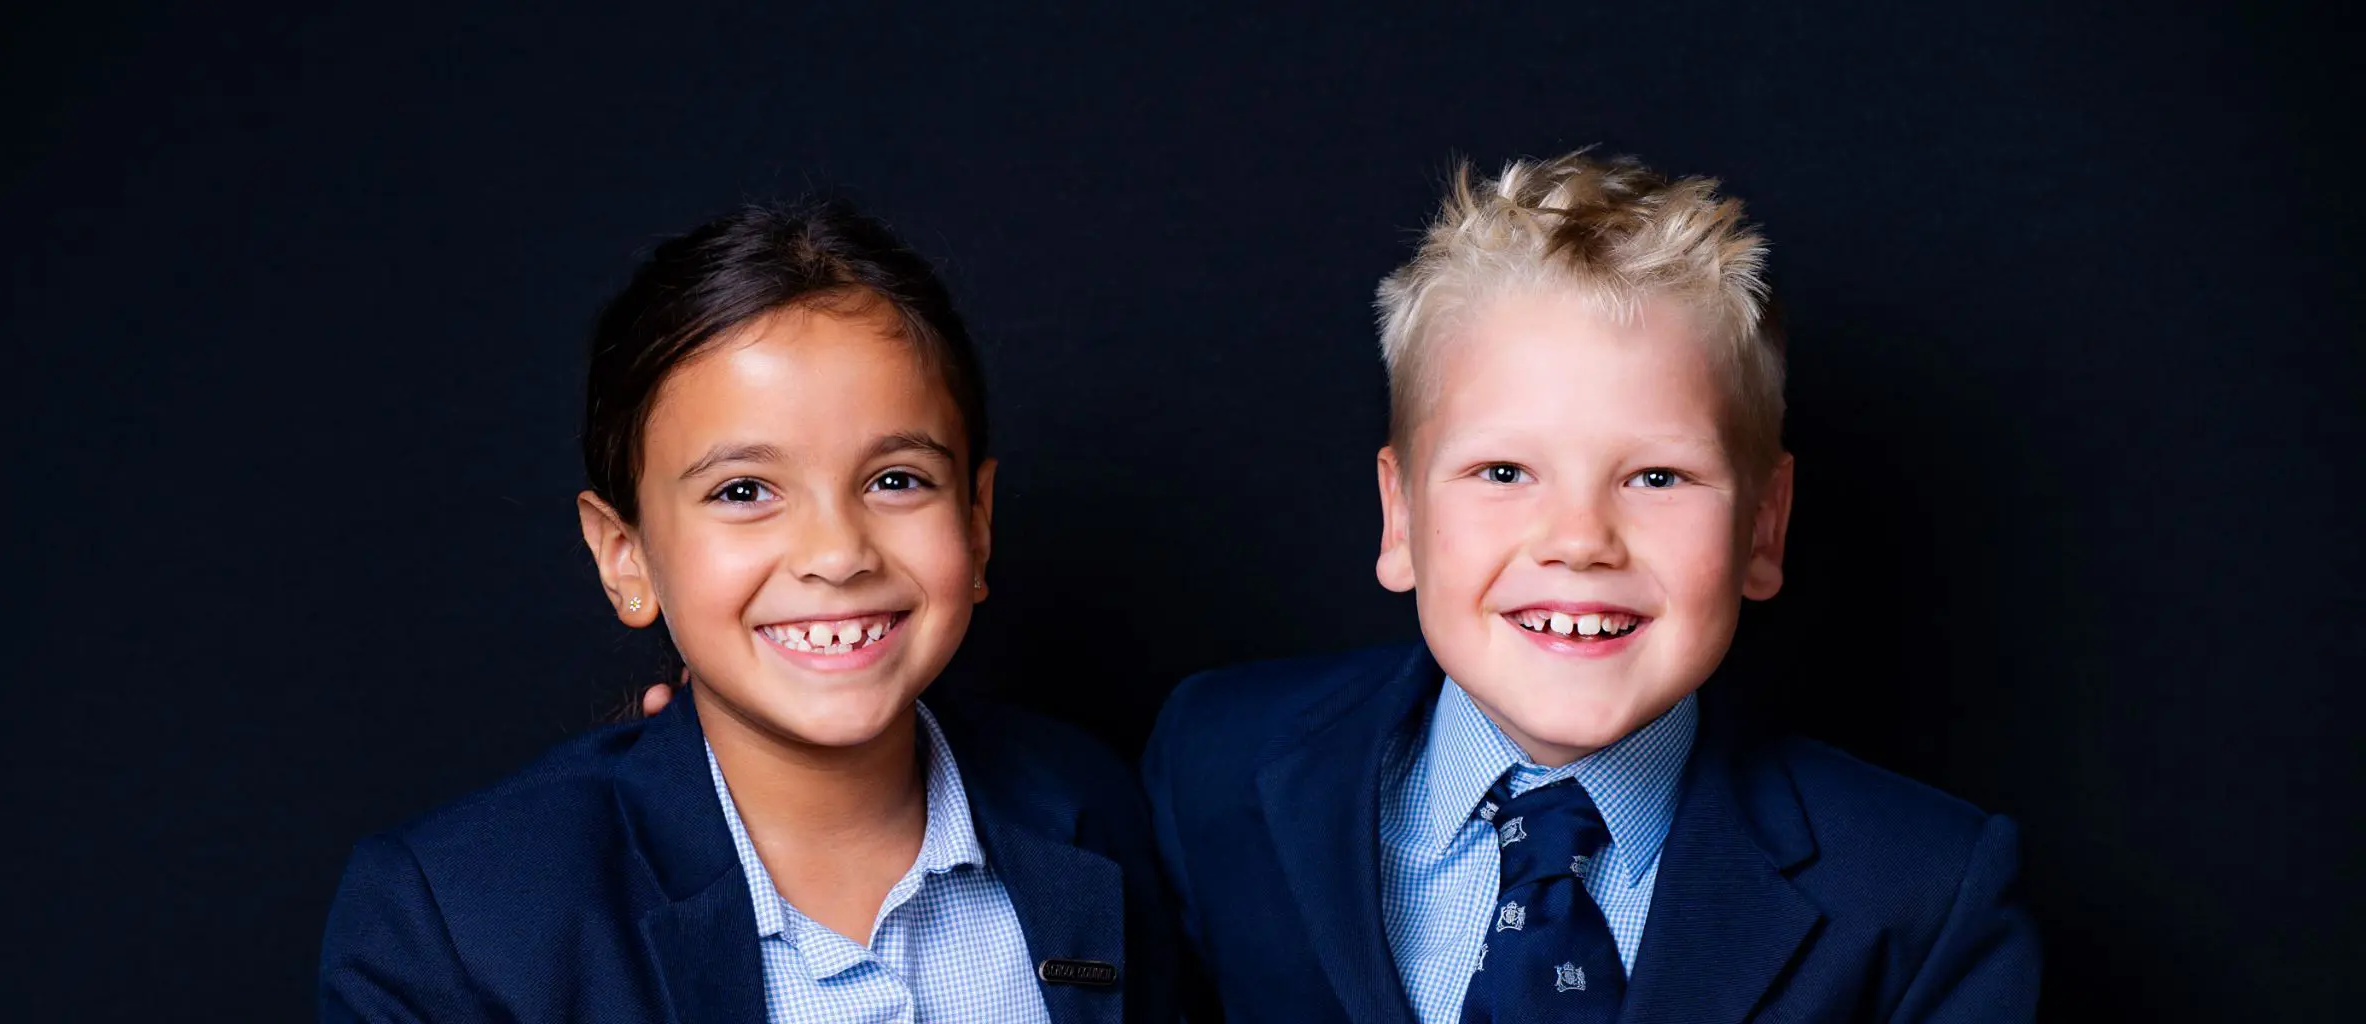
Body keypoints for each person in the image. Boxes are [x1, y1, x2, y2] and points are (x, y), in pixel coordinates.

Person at [1140, 152, 2040, 1022]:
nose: (1579, 542)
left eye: (1656, 478)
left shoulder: (1921, 888)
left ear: (1763, 528)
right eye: (1502, 472)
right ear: (1401, 518)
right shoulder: (1213, 761)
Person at [319, 198, 1179, 1023]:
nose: (838, 553)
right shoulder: (462, 922)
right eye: (744, 491)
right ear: (625, 555)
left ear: (978, 523)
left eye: (896, 480)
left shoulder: (1095, 810)